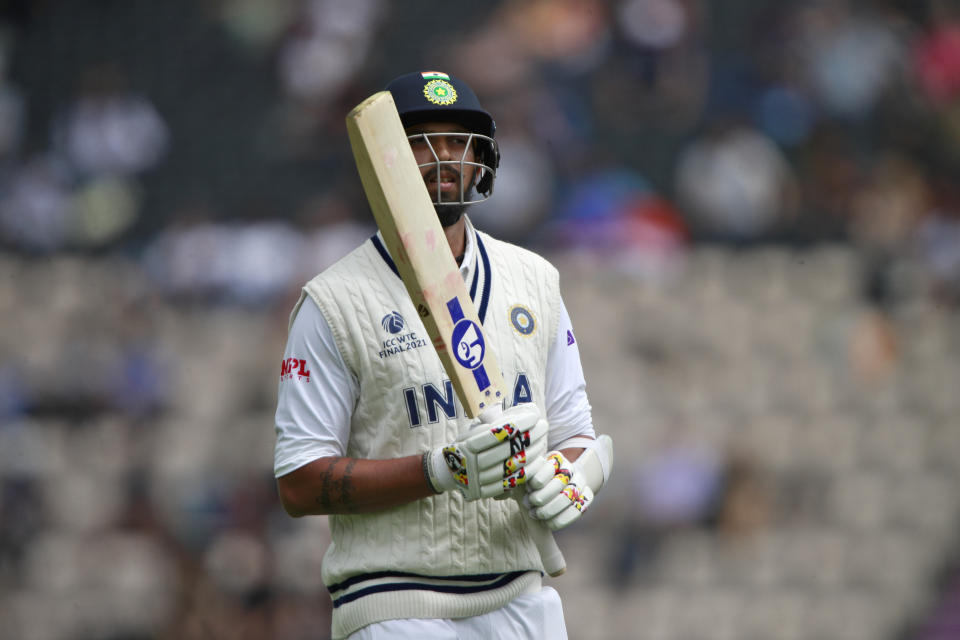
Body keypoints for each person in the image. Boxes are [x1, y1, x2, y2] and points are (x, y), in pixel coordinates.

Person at [273, 70, 614, 640]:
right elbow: (300, 482)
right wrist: (440, 470)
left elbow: (574, 429)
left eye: (458, 141)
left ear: (481, 159)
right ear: (386, 162)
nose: (445, 157)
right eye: (421, 143)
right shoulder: (333, 302)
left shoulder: (534, 280)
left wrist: (576, 472)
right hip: (395, 603)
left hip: (522, 597)